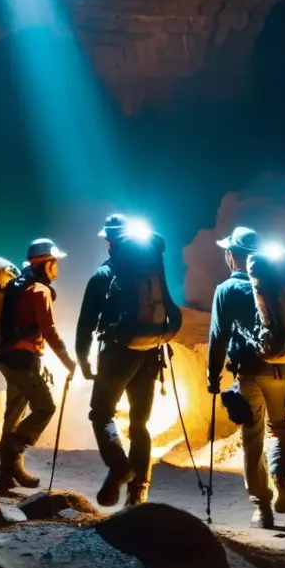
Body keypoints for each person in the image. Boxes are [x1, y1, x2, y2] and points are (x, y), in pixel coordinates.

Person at [76, 214, 182, 507]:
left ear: (111, 242)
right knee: (140, 424)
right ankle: (138, 492)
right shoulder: (153, 273)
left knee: (101, 414)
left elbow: (85, 323)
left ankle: (120, 466)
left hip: (117, 354)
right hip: (150, 353)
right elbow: (170, 309)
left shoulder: (103, 275)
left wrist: (82, 360)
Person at [206, 226, 285, 529]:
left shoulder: (226, 289)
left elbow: (218, 337)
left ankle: (262, 507)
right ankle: (281, 479)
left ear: (232, 255)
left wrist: (213, 375)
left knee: (252, 436)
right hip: (281, 369)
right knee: (280, 426)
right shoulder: (276, 283)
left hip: (249, 372)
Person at [0, 238, 77, 495]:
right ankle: (15, 452)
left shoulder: (16, 286)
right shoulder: (39, 291)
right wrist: (67, 361)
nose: (57, 268)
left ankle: (4, 478)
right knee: (45, 407)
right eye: (55, 263)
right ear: (47, 263)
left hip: (7, 357)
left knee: (14, 414)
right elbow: (48, 330)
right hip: (22, 360)